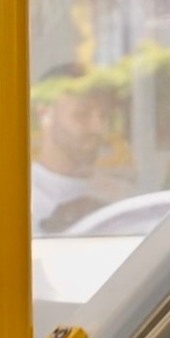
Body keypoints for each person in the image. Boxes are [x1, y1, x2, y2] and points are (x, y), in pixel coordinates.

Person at [30, 62, 125, 233]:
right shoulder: (16, 200)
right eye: (82, 114)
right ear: (44, 115)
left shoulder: (122, 196)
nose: (99, 128)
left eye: (104, 116)